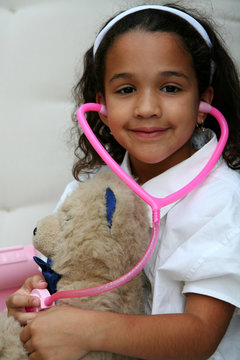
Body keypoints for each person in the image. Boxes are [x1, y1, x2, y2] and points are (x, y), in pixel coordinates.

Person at [6, 3, 240, 360]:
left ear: (203, 102)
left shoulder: (224, 200)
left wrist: (85, 331)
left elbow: (200, 334)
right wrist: (38, 299)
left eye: (171, 88)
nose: (147, 108)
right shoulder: (88, 191)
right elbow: (69, 278)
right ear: (101, 105)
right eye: (126, 89)